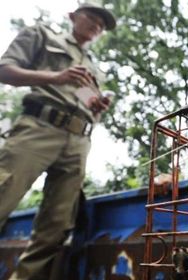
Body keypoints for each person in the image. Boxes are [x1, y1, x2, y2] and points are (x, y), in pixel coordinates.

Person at [0, 3, 116, 279]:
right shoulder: (42, 35)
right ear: (72, 16)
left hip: (78, 141)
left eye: (102, 24)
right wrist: (55, 76)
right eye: (92, 17)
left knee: (56, 228)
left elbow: (88, 105)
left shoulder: (94, 69)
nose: (97, 25)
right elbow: (4, 70)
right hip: (38, 128)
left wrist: (97, 106)